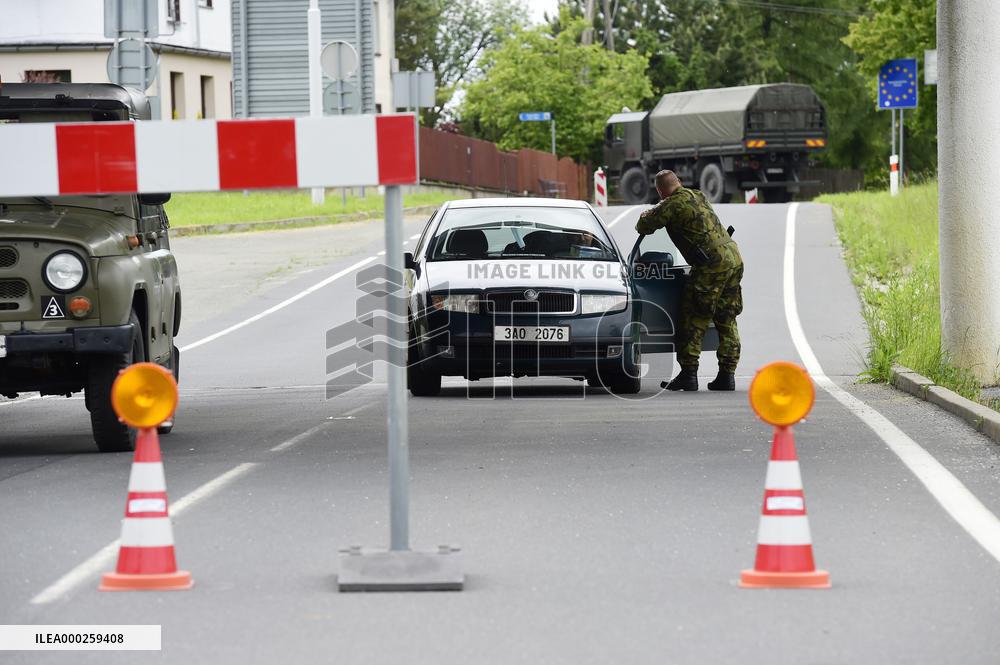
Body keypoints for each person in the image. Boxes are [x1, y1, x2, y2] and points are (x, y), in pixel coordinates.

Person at [635, 170, 744, 391]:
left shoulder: (670, 205)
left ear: (660, 191)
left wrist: (648, 213)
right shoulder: (698, 195)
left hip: (710, 265)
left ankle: (689, 374)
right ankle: (727, 375)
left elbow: (643, 227)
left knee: (694, 316)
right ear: (679, 182)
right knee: (727, 317)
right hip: (733, 258)